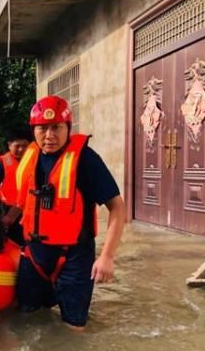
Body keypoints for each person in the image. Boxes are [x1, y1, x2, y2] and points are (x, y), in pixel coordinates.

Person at [14, 95, 125, 331]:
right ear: (34, 130)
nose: (49, 135)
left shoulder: (86, 159)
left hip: (74, 257)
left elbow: (117, 207)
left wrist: (107, 256)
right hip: (35, 255)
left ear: (68, 128)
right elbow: (21, 205)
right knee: (27, 322)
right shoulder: (30, 157)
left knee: (73, 330)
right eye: (42, 128)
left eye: (56, 127)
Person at [0, 128, 32, 245]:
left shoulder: (36, 161)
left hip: (30, 210)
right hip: (9, 213)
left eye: (25, 145)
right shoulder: (3, 162)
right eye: (17, 146)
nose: (21, 149)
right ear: (9, 145)